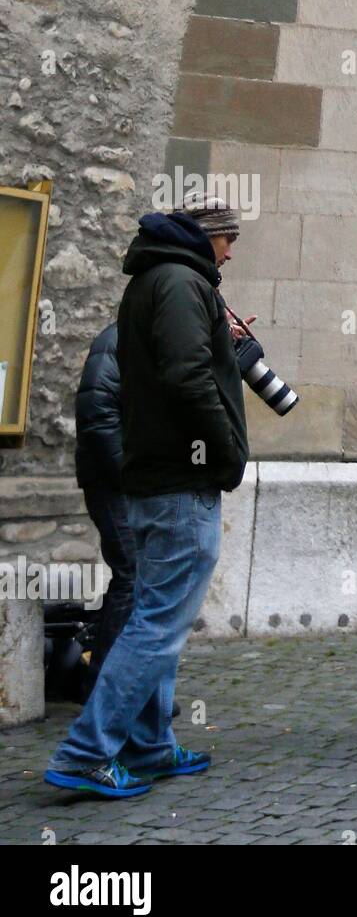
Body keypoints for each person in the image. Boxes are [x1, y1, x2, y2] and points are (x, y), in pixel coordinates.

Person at [44, 195, 249, 799]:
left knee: (153, 613)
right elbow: (188, 376)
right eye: (227, 238)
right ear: (206, 236)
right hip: (180, 479)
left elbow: (179, 370)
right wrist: (227, 449)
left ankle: (150, 744)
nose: (231, 251)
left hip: (160, 474)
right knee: (158, 620)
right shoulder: (183, 281)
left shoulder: (154, 278)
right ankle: (88, 752)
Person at [73, 324, 134, 694]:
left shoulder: (137, 340)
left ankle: (122, 686)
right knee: (132, 575)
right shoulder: (116, 341)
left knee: (136, 579)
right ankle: (103, 688)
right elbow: (96, 415)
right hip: (112, 482)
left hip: (124, 479)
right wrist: (130, 474)